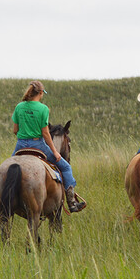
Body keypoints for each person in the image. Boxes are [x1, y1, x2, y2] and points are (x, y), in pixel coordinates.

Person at [10, 81, 87, 213]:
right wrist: (55, 152)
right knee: (66, 167)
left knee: (9, 171)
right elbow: (45, 133)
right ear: (40, 93)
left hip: (20, 145)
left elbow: (15, 130)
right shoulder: (43, 109)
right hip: (38, 145)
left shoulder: (19, 107)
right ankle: (71, 202)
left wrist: (25, 134)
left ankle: (7, 202)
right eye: (42, 94)